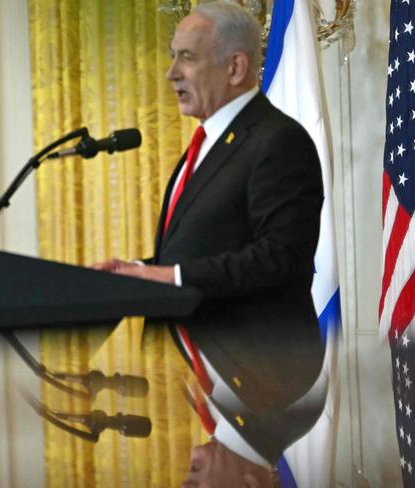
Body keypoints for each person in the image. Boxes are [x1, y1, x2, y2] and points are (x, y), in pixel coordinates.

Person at [93, 0, 325, 481]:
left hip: (261, 368)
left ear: (236, 66)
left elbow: (281, 257)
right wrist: (136, 273)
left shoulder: (277, 140)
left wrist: (168, 276)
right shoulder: (207, 145)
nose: (171, 72)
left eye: (187, 57)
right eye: (173, 56)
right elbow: (199, 254)